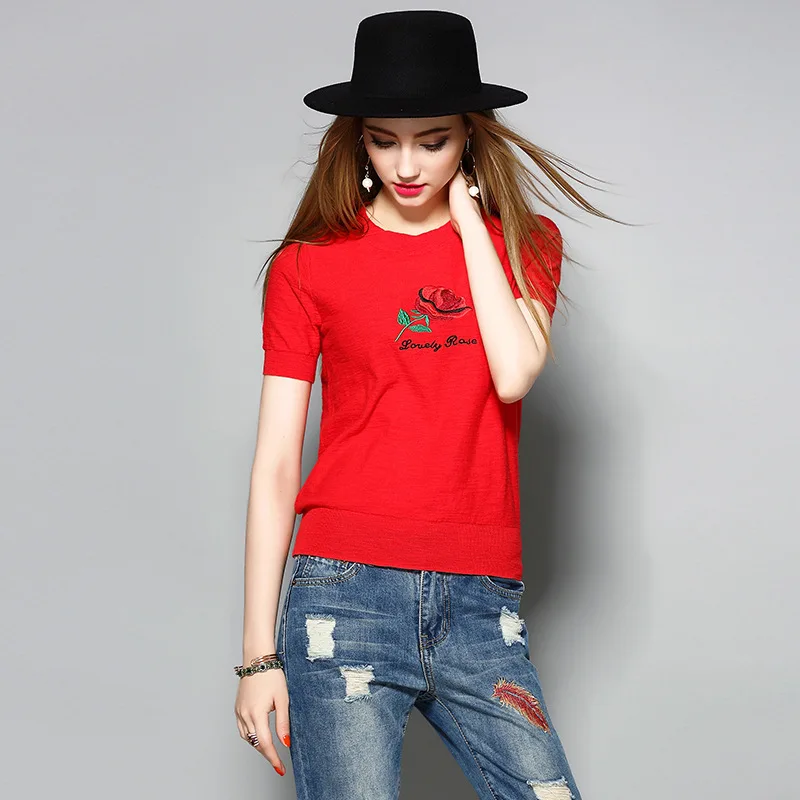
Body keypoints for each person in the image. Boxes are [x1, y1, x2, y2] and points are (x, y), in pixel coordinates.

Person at [234, 10, 615, 799]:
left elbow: (514, 374)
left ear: (469, 136)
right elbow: (275, 466)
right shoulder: (308, 267)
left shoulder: (525, 243)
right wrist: (257, 656)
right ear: (359, 141)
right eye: (384, 140)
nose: (407, 164)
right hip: (344, 594)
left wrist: (470, 219)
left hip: (480, 603)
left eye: (433, 140)